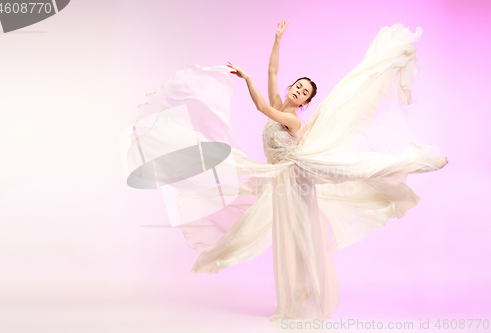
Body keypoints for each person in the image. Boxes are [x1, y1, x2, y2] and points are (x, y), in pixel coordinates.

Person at [126, 19, 448, 322]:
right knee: (289, 242)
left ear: (306, 103)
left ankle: (418, 160)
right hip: (282, 182)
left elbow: (262, 108)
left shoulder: (291, 120)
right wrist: (277, 40)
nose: (298, 91)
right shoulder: (281, 105)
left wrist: (247, 79)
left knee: (330, 203)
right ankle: (294, 301)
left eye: (305, 93)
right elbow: (273, 71)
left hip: (299, 179)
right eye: (298, 86)